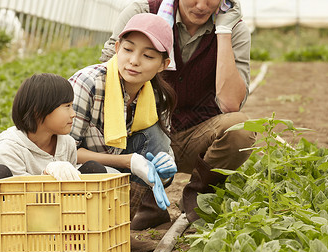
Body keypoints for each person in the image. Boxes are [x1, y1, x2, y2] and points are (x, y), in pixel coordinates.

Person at [99, 0, 257, 228]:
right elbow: (108, 77)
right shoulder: (142, 13)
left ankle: (197, 197)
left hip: (197, 135)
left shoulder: (235, 29)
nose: (202, 6)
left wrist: (223, 32)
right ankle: (149, 204)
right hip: (143, 131)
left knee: (242, 129)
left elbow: (230, 103)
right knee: (123, 118)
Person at [68, 13, 178, 244]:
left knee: (154, 135)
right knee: (94, 168)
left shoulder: (158, 96)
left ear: (163, 65)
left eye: (148, 55)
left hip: (113, 171)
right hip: (75, 178)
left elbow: (160, 152)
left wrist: (165, 168)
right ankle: (86, 233)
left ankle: (116, 232)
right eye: (128, 49)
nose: (134, 61)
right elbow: (62, 153)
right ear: (117, 48)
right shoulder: (87, 84)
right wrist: (129, 161)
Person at [0, 73, 108, 232]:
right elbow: (16, 199)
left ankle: (77, 235)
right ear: (38, 111)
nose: (73, 113)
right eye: (67, 106)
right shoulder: (10, 146)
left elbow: (71, 191)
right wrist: (47, 176)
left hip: (56, 216)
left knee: (94, 169)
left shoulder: (67, 143)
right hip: (15, 221)